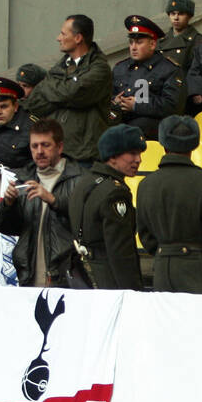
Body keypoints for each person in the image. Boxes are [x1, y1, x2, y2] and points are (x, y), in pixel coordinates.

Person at [136, 115, 202, 294]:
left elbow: (146, 235)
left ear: (163, 143)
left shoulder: (146, 184)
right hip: (201, 272)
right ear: (195, 144)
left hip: (162, 272)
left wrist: (166, 253)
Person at [18, 13, 113, 173]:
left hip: (84, 157)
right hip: (56, 154)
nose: (58, 38)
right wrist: (64, 91)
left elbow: (74, 93)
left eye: (63, 33)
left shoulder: (100, 69)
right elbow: (35, 103)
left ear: (78, 38)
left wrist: (55, 90)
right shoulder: (59, 67)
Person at [0, 118, 82, 288]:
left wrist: (53, 200)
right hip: (29, 274)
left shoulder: (79, 178)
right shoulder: (23, 177)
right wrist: (8, 205)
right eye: (34, 146)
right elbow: (6, 228)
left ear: (60, 147)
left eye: (45, 145)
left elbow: (84, 220)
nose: (39, 151)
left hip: (67, 275)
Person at [68, 123, 146, 290]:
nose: (138, 159)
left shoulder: (84, 182)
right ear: (112, 156)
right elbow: (121, 252)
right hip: (109, 280)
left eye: (139, 154)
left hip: (81, 276)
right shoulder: (115, 192)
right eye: (132, 153)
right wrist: (134, 291)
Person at [110, 15, 184, 139]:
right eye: (131, 42)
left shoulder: (168, 69)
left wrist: (137, 105)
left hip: (152, 127)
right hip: (121, 120)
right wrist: (115, 102)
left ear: (152, 44)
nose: (133, 47)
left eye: (139, 42)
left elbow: (173, 106)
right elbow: (106, 97)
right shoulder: (120, 68)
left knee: (136, 128)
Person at [159, 0, 202, 70]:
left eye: (181, 14)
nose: (176, 18)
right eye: (173, 14)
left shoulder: (198, 41)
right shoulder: (160, 40)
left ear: (189, 16)